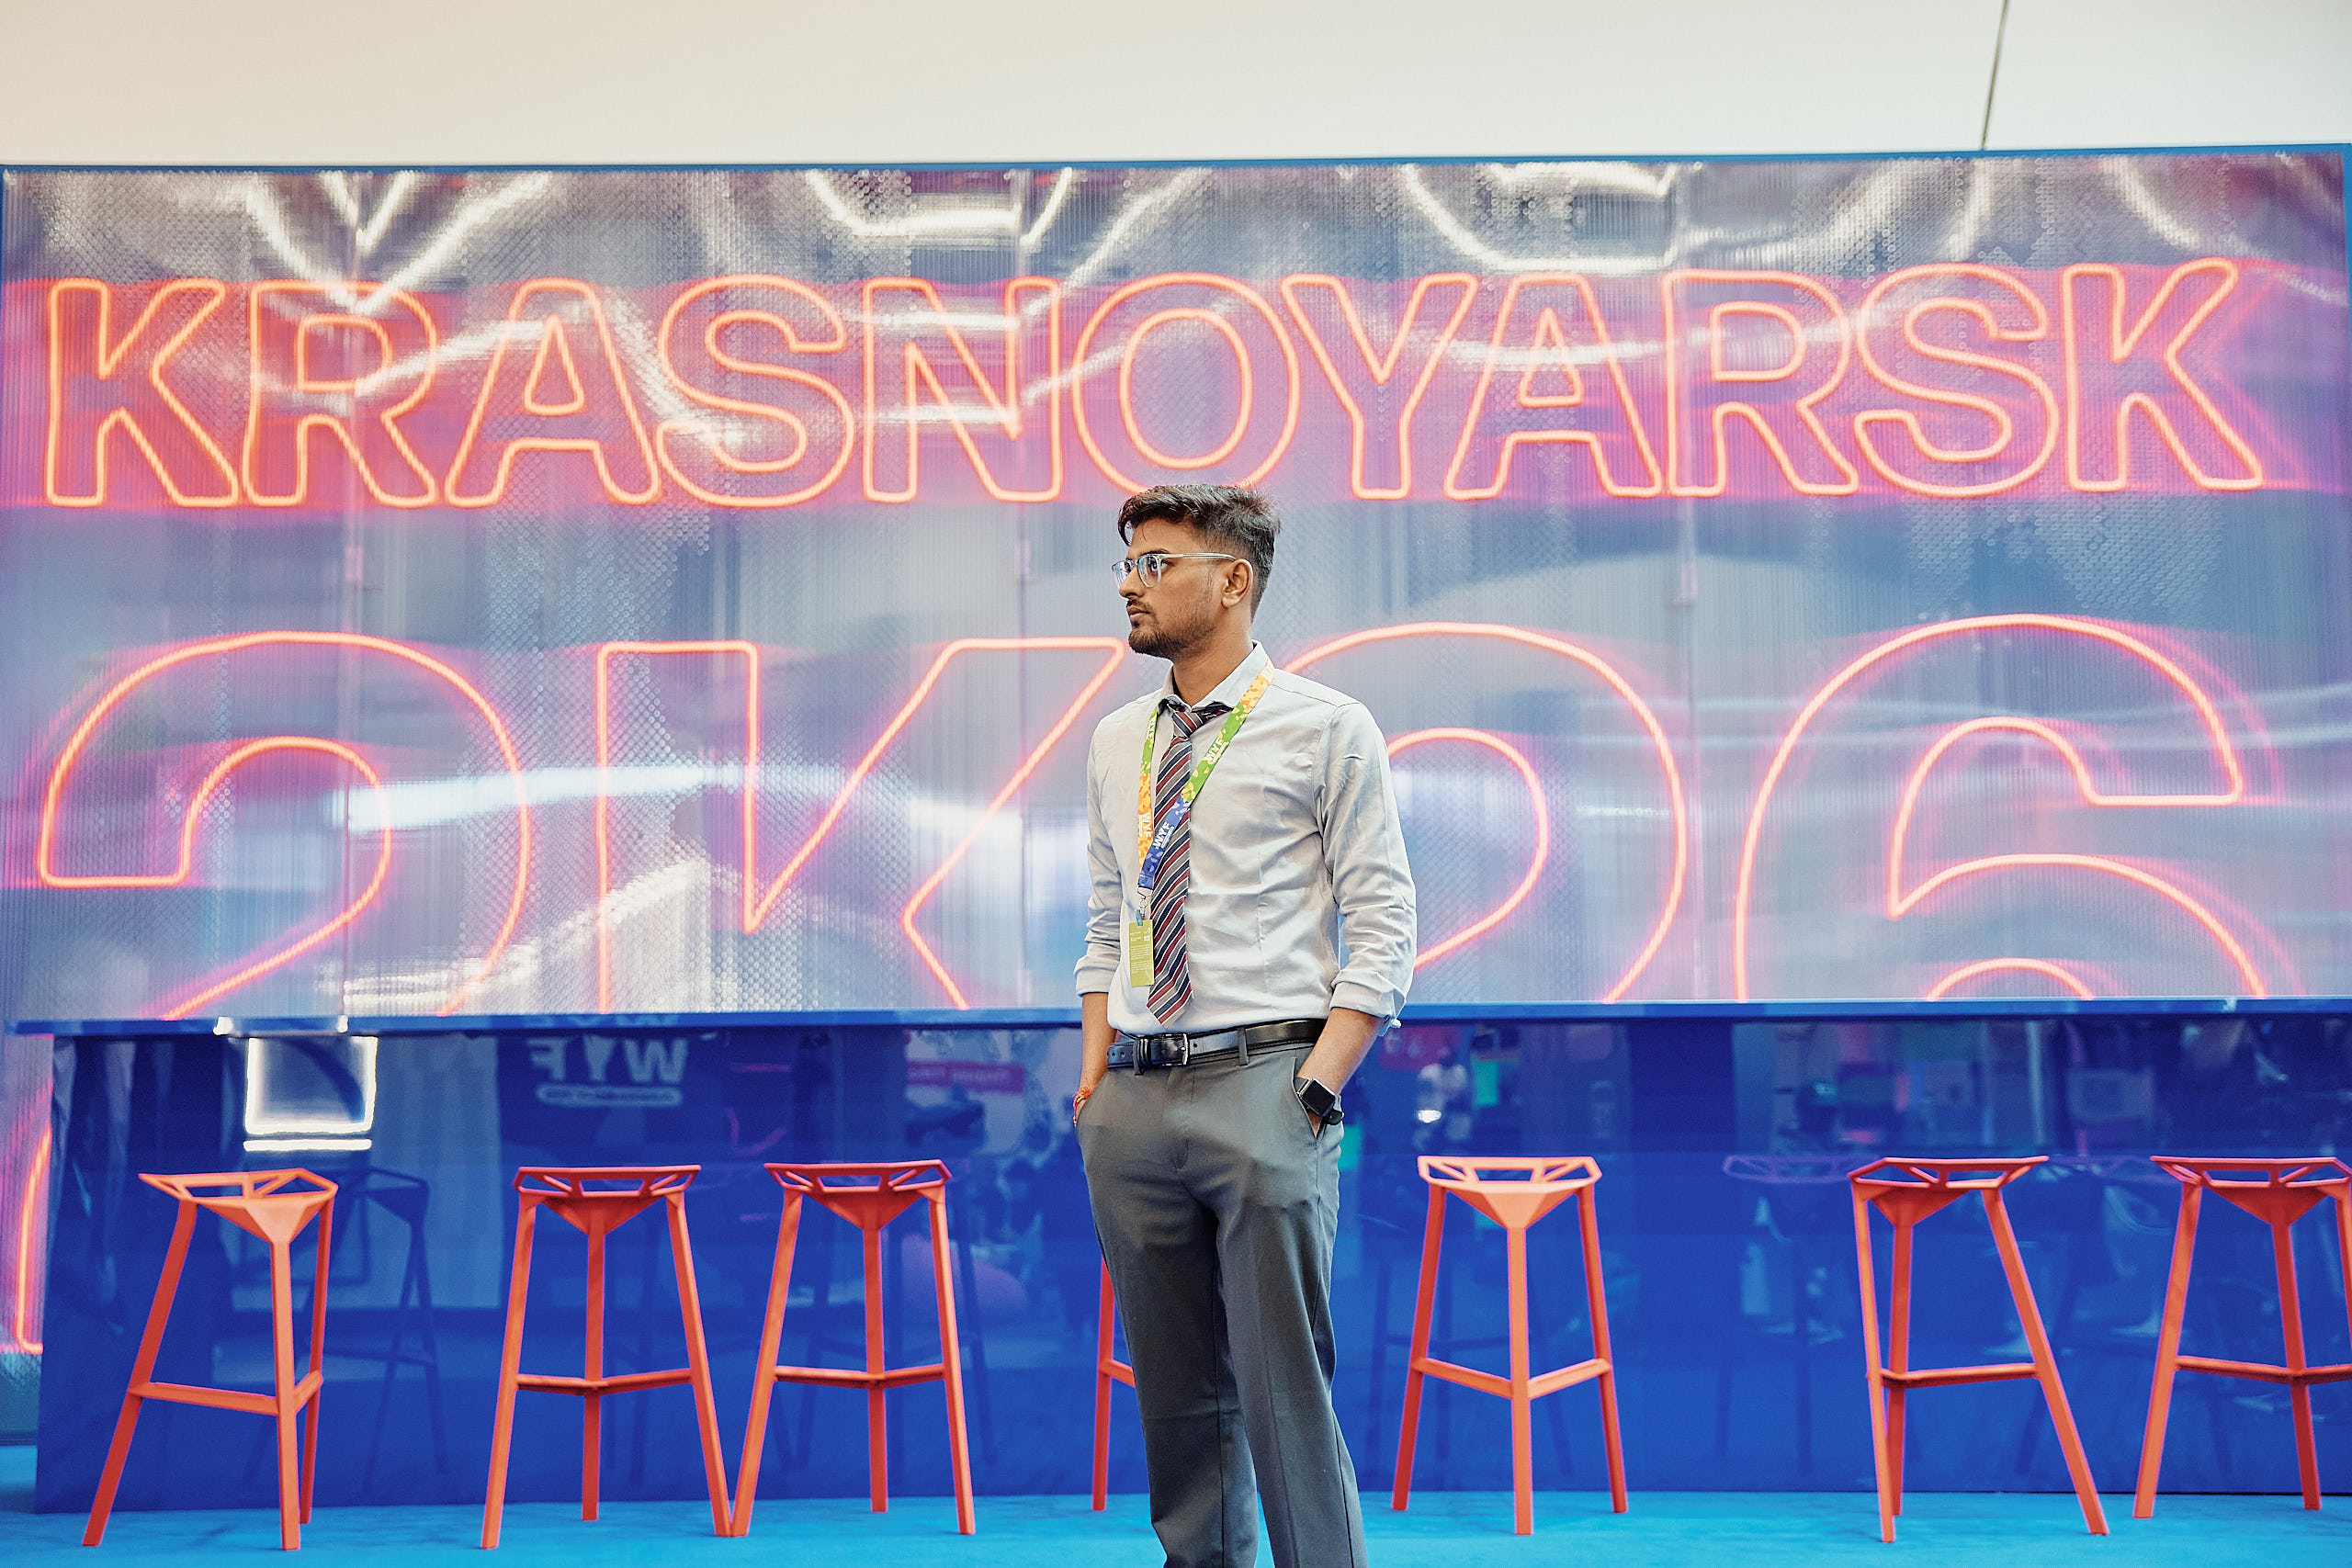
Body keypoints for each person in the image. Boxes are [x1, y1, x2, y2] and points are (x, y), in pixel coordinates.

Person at [1071, 484, 1416, 1568]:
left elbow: (1383, 918)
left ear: (1232, 581)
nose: (1130, 585)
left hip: (1265, 1081)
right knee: (1175, 1402)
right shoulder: (1117, 739)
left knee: (1283, 1391)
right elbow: (1107, 914)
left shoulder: (1326, 726)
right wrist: (1094, 1077)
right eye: (1127, 564)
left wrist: (1314, 1086)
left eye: (1156, 564)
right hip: (1134, 1097)